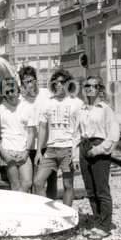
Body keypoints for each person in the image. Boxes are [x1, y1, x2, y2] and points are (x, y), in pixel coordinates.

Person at [33, 69, 84, 207]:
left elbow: (80, 129)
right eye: (56, 82)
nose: (59, 85)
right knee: (38, 182)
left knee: (68, 184)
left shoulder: (77, 103)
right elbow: (42, 128)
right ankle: (49, 214)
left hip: (68, 149)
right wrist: (38, 152)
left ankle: (66, 218)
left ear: (69, 84)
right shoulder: (47, 103)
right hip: (51, 150)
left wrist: (76, 154)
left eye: (62, 82)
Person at [77, 76, 119, 240]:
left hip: (98, 147)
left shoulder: (105, 109)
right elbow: (77, 132)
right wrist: (77, 154)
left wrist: (99, 150)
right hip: (84, 146)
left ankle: (105, 226)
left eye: (92, 86)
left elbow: (114, 134)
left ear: (99, 89)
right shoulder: (82, 109)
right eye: (86, 85)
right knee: (90, 190)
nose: (89, 88)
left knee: (101, 190)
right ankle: (97, 222)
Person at [16, 66, 57, 198]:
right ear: (22, 84)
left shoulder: (47, 94)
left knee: (49, 181)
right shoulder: (20, 101)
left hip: (48, 145)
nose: (30, 84)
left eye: (32, 80)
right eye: (26, 82)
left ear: (36, 80)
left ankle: (53, 211)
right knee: (30, 182)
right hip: (28, 147)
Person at [0, 78, 33, 192]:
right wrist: (4, 154)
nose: (10, 94)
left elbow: (31, 132)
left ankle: (18, 205)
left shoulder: (27, 107)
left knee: (27, 182)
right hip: (8, 150)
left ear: (18, 90)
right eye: (7, 92)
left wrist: (27, 152)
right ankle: (19, 208)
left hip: (23, 151)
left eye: (12, 90)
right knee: (15, 185)